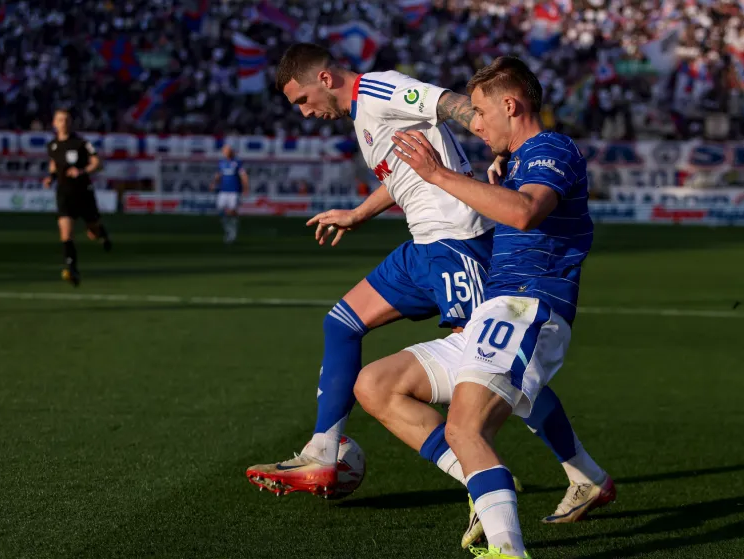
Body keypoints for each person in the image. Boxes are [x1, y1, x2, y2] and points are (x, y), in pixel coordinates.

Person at [245, 44, 612, 546]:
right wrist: (358, 214)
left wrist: (493, 140)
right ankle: (328, 448)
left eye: (304, 99)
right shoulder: (364, 119)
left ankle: (553, 480)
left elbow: (450, 104)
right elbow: (403, 177)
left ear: (325, 78)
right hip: (424, 244)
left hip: (457, 241)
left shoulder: (379, 88)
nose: (306, 112)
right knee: (345, 326)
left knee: (492, 379)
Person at [354, 56, 603, 558]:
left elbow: (526, 212)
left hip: (528, 309)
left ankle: (507, 545)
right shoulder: (517, 162)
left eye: (482, 113)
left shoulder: (551, 148)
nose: (476, 123)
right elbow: (510, 204)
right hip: (496, 310)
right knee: (376, 385)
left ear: (511, 105)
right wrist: (494, 181)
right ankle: (488, 483)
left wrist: (438, 174)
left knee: (465, 428)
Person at [43, 109, 111, 287]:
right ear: (54, 123)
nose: (63, 122)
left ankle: (101, 232)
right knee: (66, 232)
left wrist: (82, 171)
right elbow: (53, 164)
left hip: (83, 193)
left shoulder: (81, 143)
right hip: (64, 193)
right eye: (60, 120)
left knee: (92, 231)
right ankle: (72, 268)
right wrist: (50, 178)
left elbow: (97, 162)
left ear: (70, 122)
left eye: (66, 119)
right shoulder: (52, 146)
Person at [211, 145, 250, 245]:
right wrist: (214, 183)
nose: (225, 153)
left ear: (231, 152)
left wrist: (245, 188)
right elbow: (219, 175)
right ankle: (228, 229)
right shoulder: (222, 163)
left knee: (232, 211)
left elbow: (243, 175)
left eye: (226, 151)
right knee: (220, 210)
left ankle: (232, 233)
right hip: (223, 191)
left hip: (234, 191)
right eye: (224, 151)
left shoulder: (237, 162)